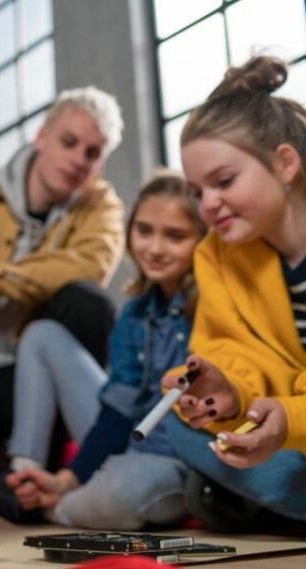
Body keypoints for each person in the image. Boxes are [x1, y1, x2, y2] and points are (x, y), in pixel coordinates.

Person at [0, 171, 205, 529]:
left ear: (203, 239)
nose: (153, 248)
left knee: (119, 490)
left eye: (175, 236)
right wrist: (67, 479)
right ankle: (25, 475)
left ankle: (49, 509)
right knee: (42, 334)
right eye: (144, 230)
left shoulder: (212, 306)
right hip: (129, 440)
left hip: (175, 458)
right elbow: (117, 413)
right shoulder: (135, 313)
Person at [0, 86, 125, 469]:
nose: (77, 159)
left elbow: (90, 267)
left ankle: (44, 462)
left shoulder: (101, 206)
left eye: (92, 153)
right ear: (42, 136)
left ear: (100, 165)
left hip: (40, 376)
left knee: (87, 300)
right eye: (69, 142)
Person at [161, 55, 306, 532]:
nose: (207, 205)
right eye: (197, 191)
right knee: (182, 426)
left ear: (285, 164)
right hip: (292, 431)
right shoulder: (217, 255)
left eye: (223, 182)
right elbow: (229, 348)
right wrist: (226, 392)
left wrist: (288, 419)